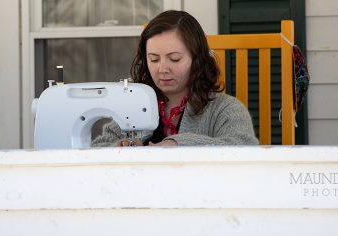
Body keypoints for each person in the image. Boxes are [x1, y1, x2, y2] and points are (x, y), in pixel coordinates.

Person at [92, 10, 259, 147]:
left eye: (174, 59)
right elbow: (97, 147)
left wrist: (177, 145)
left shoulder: (226, 110)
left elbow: (244, 147)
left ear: (197, 59)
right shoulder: (134, 105)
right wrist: (116, 148)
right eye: (154, 59)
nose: (163, 69)